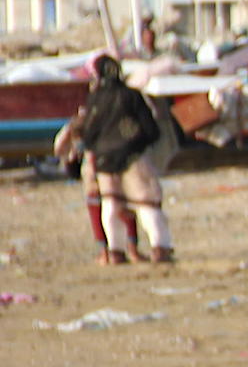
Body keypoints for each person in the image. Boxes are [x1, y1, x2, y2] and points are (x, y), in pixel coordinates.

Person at [57, 54, 172, 264]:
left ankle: (115, 252)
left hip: (104, 161)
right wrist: (136, 144)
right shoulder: (132, 96)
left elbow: (89, 133)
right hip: (133, 156)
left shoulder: (95, 99)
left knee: (111, 205)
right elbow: (151, 129)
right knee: (147, 204)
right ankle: (160, 248)